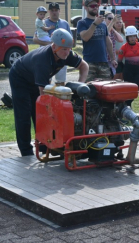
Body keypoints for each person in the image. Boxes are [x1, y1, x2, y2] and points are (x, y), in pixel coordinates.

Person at [9, 29, 89, 157]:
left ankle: (44, 145)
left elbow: (84, 67)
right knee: (24, 114)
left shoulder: (67, 54)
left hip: (36, 79)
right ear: (54, 47)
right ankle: (26, 151)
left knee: (38, 114)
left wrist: (80, 86)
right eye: (64, 49)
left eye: (69, 49)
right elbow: (44, 96)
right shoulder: (42, 60)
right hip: (20, 78)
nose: (67, 52)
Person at [77, 0, 117, 82]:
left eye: (96, 5)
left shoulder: (102, 24)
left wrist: (113, 59)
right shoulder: (82, 23)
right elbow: (85, 37)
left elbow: (108, 42)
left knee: (105, 88)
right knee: (87, 89)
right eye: (92, 6)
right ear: (86, 8)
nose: (95, 7)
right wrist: (94, 24)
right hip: (89, 62)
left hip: (103, 62)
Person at [33, 2, 72, 85]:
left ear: (59, 11)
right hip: (46, 56)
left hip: (61, 57)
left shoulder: (64, 23)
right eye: (52, 10)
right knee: (45, 83)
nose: (54, 12)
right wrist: (51, 45)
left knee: (61, 83)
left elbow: (71, 41)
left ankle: (59, 98)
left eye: (56, 10)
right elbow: (35, 39)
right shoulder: (43, 22)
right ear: (49, 12)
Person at [118, 25, 139, 107]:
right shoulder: (124, 47)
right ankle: (127, 106)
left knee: (136, 89)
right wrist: (123, 70)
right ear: (127, 37)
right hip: (128, 71)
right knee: (128, 90)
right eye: (130, 36)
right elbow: (119, 60)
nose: (132, 38)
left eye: (134, 36)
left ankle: (128, 104)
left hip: (137, 71)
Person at [104, 12, 124, 78]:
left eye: (113, 19)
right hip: (104, 58)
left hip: (111, 59)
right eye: (110, 19)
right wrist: (112, 23)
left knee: (112, 77)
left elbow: (121, 39)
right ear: (105, 19)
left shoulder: (112, 30)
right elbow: (105, 33)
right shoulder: (103, 28)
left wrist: (113, 30)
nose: (112, 20)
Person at [112, 16, 126, 80]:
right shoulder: (112, 34)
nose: (119, 24)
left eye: (120, 22)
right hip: (116, 58)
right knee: (116, 76)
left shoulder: (125, 34)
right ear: (113, 24)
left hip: (124, 59)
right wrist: (116, 51)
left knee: (122, 76)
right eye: (117, 22)